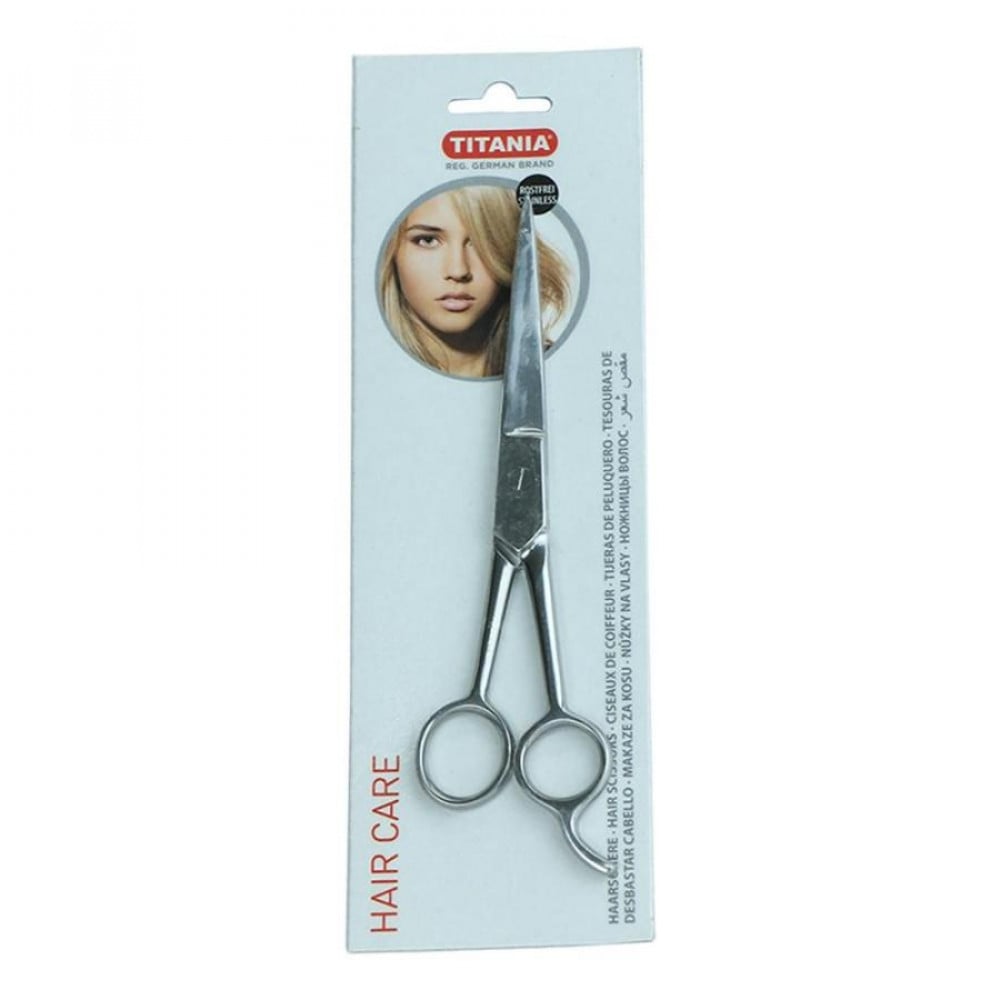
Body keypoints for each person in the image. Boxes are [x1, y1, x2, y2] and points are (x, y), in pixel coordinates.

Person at [379, 185, 571, 377]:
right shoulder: (371, 374)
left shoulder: (564, 369)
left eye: (481, 242)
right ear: (392, 252)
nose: (458, 270)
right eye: (428, 240)